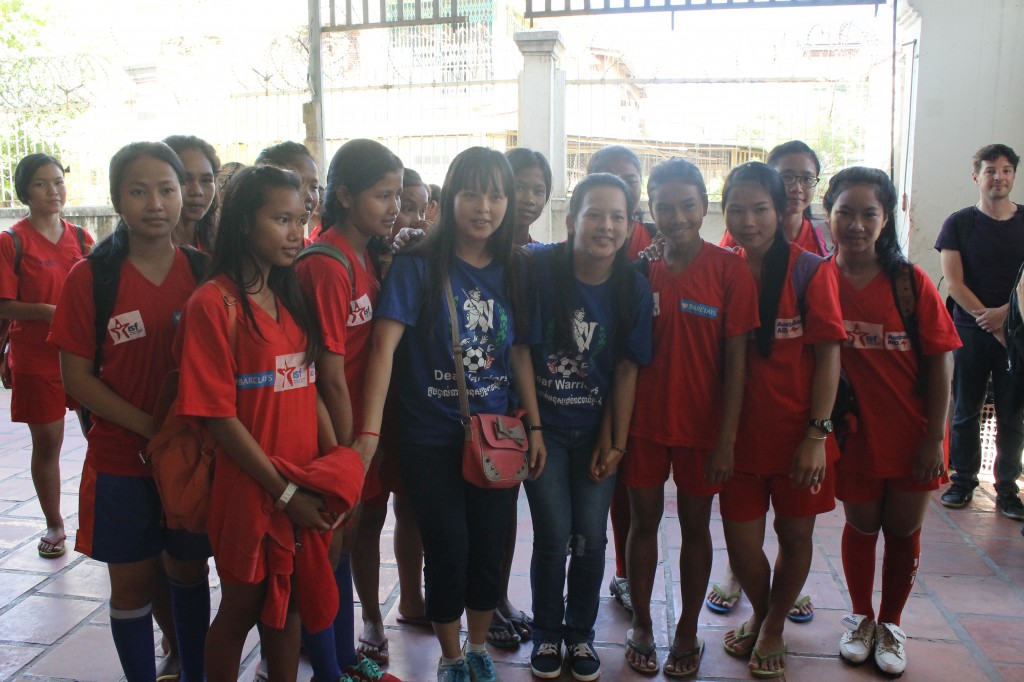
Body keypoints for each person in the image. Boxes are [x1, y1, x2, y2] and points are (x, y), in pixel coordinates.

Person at [353, 147, 545, 682]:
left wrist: (533, 426)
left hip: (498, 437)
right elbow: (384, 350)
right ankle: (452, 655)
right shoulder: (419, 264)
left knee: (490, 548)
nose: (484, 207)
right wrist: (370, 432)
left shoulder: (515, 268)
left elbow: (521, 352)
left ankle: (478, 647)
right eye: (471, 193)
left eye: (496, 194)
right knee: (447, 548)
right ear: (450, 197)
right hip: (429, 437)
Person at [174, 164, 364, 681]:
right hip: (249, 487)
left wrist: (334, 469)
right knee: (242, 605)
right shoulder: (212, 305)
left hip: (303, 480)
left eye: (301, 220)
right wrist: (284, 494)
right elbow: (218, 418)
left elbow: (309, 391)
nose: (296, 234)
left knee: (294, 608)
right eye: (281, 220)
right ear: (242, 223)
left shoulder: (289, 295)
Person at [48, 142, 212, 682]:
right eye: (139, 191)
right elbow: (77, 378)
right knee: (133, 585)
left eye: (167, 189)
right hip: (123, 459)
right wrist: (150, 428)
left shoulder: (204, 273)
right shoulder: (90, 279)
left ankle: (192, 670)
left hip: (192, 459)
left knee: (190, 573)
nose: (157, 203)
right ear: (118, 198)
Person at [621, 159, 758, 678]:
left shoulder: (730, 270)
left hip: (703, 432)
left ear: (705, 206)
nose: (675, 216)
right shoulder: (638, 267)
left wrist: (726, 440)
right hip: (642, 426)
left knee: (697, 528)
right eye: (664, 207)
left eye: (686, 205)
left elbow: (737, 364)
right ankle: (641, 624)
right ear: (649, 210)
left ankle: (685, 629)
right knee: (643, 522)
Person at [826, 167, 960, 676]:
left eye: (868, 214)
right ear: (829, 213)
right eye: (845, 212)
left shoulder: (909, 283)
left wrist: (934, 437)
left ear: (885, 220)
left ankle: (891, 623)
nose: (856, 224)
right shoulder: (819, 279)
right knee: (861, 525)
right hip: (855, 438)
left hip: (914, 436)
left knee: (903, 530)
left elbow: (942, 360)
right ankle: (860, 618)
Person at [718, 162, 845, 679]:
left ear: (782, 208)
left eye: (760, 209)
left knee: (795, 538)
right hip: (736, 442)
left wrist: (817, 435)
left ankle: (770, 626)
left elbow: (830, 356)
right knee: (743, 547)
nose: (748, 221)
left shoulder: (810, 270)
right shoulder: (722, 267)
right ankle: (765, 608)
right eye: (737, 210)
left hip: (800, 441)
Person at [524, 172, 653, 681]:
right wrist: (534, 428)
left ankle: (580, 636)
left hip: (597, 431)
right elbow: (522, 351)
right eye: (594, 214)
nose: (605, 225)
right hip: (545, 432)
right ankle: (546, 634)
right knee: (554, 536)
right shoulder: (540, 270)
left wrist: (615, 441)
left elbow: (626, 368)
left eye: (617, 216)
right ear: (572, 218)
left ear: (629, 226)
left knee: (592, 538)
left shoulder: (632, 288)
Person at [295, 138, 404, 682]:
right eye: (383, 195)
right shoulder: (327, 263)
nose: (393, 207)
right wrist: (349, 451)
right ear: (343, 194)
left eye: (398, 195)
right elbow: (329, 373)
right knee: (328, 548)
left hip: (364, 429)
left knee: (348, 541)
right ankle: (329, 665)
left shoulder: (365, 253)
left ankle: (339, 659)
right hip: (340, 435)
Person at [0, 153, 93, 560]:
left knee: (102, 437)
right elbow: (4, 304)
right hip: (37, 357)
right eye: (42, 183)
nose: (54, 190)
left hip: (84, 356)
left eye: (58, 181)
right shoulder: (12, 241)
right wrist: (48, 312)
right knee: (49, 442)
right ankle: (55, 523)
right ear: (25, 191)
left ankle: (100, 518)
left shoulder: (81, 237)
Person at [935, 143, 1024, 520]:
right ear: (977, 177)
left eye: (1006, 170)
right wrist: (987, 317)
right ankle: (963, 480)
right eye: (990, 170)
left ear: (1014, 176)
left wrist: (1007, 315)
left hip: (1016, 330)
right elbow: (953, 282)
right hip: (969, 331)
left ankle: (1007, 488)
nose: (998, 177)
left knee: (1012, 412)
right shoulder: (959, 223)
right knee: (966, 409)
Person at [585, 144, 651, 612]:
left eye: (630, 179)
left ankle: (628, 576)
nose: (621, 184)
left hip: (643, 384)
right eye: (609, 177)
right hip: (586, 387)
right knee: (596, 488)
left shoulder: (653, 237)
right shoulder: (580, 243)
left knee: (633, 492)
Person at [720, 140, 831, 257]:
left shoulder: (828, 238)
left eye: (807, 179)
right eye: (787, 177)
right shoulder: (743, 235)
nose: (797, 188)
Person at [164, 135, 220, 251]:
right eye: (185, 180)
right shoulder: (143, 252)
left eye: (206, 180)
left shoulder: (218, 245)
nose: (197, 191)